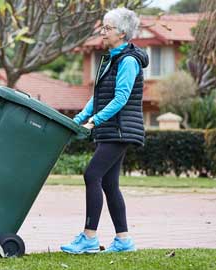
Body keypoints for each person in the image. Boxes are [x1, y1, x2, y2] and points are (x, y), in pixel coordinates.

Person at [60, 7, 148, 254]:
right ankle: (123, 240)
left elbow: (121, 98)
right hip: (112, 129)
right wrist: (79, 119)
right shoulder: (111, 58)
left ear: (121, 33)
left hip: (120, 129)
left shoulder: (129, 61)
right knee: (109, 183)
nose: (103, 31)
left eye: (107, 28)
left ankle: (89, 236)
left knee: (91, 175)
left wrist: (94, 121)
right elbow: (98, 96)